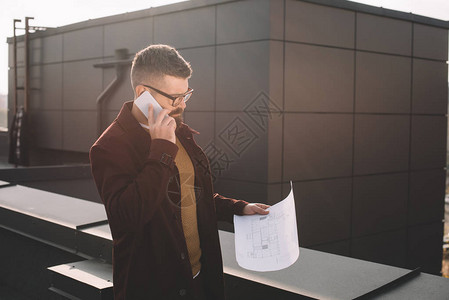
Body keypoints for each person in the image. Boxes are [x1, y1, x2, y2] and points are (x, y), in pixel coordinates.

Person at [89, 44, 270, 300]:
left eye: (186, 95)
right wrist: (161, 148)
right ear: (142, 93)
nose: (181, 105)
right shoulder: (111, 146)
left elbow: (186, 195)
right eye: (174, 98)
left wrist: (237, 208)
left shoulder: (177, 129)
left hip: (200, 281)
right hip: (154, 290)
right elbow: (125, 219)